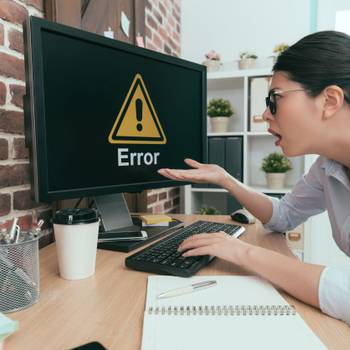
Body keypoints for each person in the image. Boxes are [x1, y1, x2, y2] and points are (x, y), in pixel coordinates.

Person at [158, 30, 350, 325]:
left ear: (330, 100)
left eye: (275, 98)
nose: (265, 114)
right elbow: (284, 215)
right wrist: (226, 179)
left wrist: (243, 253)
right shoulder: (328, 165)